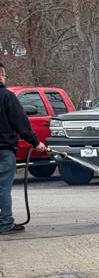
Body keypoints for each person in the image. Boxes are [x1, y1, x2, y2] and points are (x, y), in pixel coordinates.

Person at [0, 62, 48, 234]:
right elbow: (22, 124)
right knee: (3, 188)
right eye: (4, 75)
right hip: (4, 151)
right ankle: (5, 223)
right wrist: (36, 143)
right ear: (1, 76)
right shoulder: (7, 97)